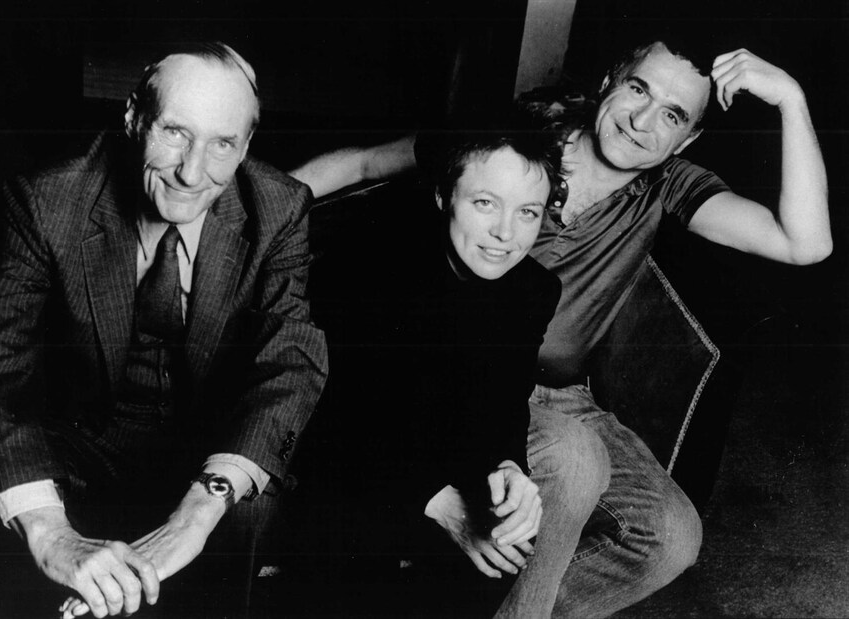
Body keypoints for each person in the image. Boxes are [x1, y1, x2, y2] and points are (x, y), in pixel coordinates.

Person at [289, 41, 831, 617]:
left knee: (669, 538)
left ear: (687, 138)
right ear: (608, 81)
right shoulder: (519, 140)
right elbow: (365, 165)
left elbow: (806, 243)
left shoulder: (668, 183)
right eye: (638, 89)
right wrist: (251, 214)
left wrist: (790, 100)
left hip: (565, 394)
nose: (642, 121)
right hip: (467, 373)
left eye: (673, 115)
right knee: (573, 459)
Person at [0, 42, 327, 618]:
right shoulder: (47, 201)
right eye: (175, 132)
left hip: (205, 441)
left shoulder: (279, 207)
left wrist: (197, 513)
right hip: (79, 441)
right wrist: (50, 533)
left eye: (222, 144)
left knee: (250, 507)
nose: (191, 172)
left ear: (247, 144)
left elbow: (292, 362)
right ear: (134, 118)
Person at [288, 121, 562, 616]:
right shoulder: (370, 263)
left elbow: (504, 403)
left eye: (528, 212)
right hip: (340, 454)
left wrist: (510, 468)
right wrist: (437, 501)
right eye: (485, 203)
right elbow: (329, 416)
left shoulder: (533, 290)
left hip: (428, 447)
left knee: (502, 540)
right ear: (442, 197)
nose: (506, 233)